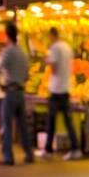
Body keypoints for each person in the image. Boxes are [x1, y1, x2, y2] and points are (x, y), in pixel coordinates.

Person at [35, 27, 82, 161]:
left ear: (51, 35)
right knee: (68, 121)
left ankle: (48, 150)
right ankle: (75, 148)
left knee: (51, 121)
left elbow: (54, 69)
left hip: (56, 89)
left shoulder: (55, 48)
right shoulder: (67, 48)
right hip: (66, 88)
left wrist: (47, 59)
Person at [0, 22, 34, 166]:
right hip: (21, 92)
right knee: (23, 126)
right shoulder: (23, 53)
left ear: (7, 35)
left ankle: (8, 157)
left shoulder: (8, 51)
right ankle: (29, 154)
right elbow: (27, 74)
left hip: (10, 91)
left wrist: (1, 86)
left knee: (6, 124)